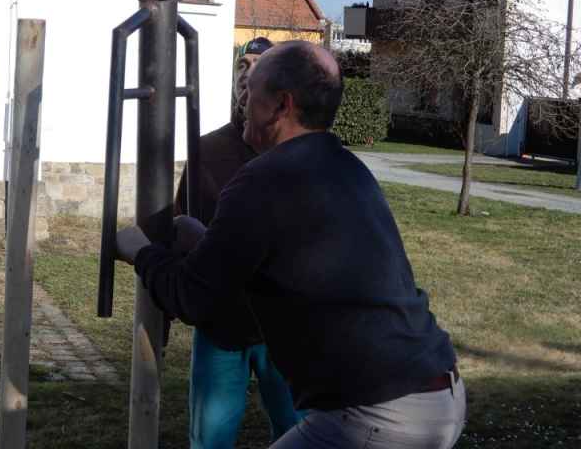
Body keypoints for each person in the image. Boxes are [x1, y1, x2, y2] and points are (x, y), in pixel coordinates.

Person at [118, 41, 466, 448]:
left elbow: (193, 299)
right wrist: (206, 240)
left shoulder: (264, 179)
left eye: (253, 92)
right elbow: (291, 258)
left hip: (378, 412)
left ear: (281, 105)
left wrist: (139, 251)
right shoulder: (347, 169)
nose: (244, 101)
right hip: (437, 393)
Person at [175, 37, 301, 449]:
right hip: (221, 325)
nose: (247, 74)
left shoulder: (298, 151)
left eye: (259, 65)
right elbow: (181, 227)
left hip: (284, 328)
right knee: (209, 439)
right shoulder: (206, 150)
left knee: (299, 432)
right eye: (241, 65)